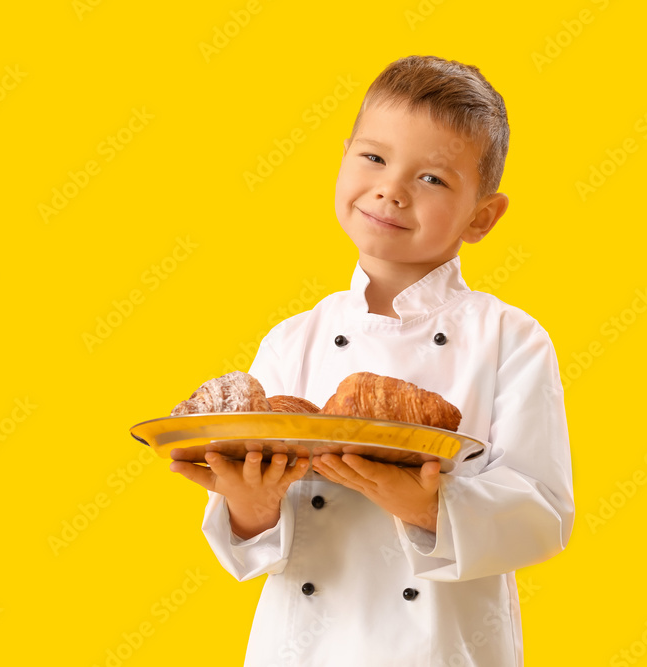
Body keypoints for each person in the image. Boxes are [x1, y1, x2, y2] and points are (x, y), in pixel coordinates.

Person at [169, 54, 575, 667]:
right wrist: (251, 508)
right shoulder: (293, 340)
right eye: (374, 158)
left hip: (443, 650)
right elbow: (260, 533)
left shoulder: (508, 338)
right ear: (343, 157)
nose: (392, 189)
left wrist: (424, 506)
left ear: (482, 217)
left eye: (433, 179)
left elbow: (543, 515)